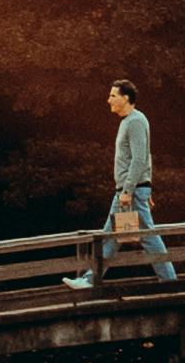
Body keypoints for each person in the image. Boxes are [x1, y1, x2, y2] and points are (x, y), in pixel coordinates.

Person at [63, 78, 175, 288]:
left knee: (146, 237)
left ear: (125, 98)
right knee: (112, 239)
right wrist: (143, 186)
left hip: (129, 193)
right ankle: (90, 279)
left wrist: (130, 190)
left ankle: (170, 282)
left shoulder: (135, 121)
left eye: (113, 96)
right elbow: (144, 159)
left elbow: (140, 158)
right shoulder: (128, 121)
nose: (108, 100)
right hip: (131, 191)